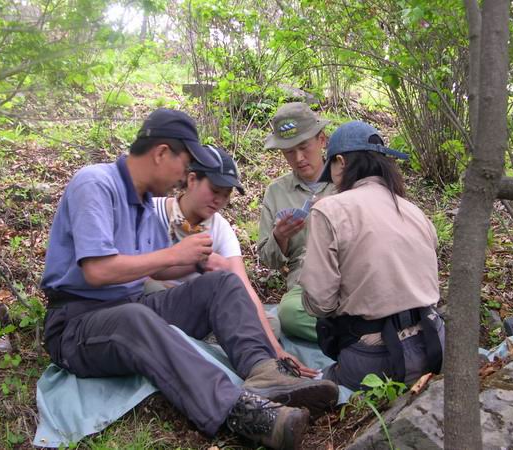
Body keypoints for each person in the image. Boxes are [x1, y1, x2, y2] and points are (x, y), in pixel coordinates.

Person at [40, 108, 338, 449]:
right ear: (161, 153)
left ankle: (265, 372)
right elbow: (97, 270)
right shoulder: (95, 183)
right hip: (77, 323)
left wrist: (197, 264)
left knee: (222, 284)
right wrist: (175, 254)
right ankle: (240, 411)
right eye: (184, 165)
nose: (184, 176)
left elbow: (154, 270)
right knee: (133, 318)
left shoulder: (142, 200)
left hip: (131, 304)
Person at [149, 144, 318, 377]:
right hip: (155, 307)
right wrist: (188, 264)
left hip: (201, 310)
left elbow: (243, 286)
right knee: (150, 286)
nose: (219, 200)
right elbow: (131, 273)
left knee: (270, 325)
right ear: (192, 180)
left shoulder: (219, 228)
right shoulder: (151, 212)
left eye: (226, 194)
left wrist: (277, 350)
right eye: (214, 190)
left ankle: (210, 340)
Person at [299, 120, 445, 390]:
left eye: (331, 171)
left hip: (375, 360)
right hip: (435, 344)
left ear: (341, 162)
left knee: (318, 384)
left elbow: (321, 302)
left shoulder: (329, 210)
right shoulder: (414, 211)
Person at [258, 102, 336, 342]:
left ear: (321, 140)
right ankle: (356, 335)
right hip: (306, 285)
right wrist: (279, 237)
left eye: (304, 147)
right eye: (289, 152)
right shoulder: (277, 192)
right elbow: (267, 259)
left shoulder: (345, 181)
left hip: (350, 273)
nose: (299, 158)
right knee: (290, 314)